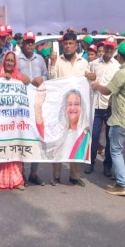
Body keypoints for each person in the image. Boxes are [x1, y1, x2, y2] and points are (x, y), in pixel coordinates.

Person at [91, 42, 125, 197]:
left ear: (119, 56)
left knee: (115, 150)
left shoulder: (122, 73)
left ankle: (121, 184)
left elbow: (108, 90)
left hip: (121, 119)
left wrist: (97, 86)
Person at [48, 31, 90, 187]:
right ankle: (56, 175)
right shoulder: (58, 61)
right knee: (59, 141)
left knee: (76, 140)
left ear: (76, 44)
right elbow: (52, 81)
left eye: (70, 43)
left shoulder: (83, 63)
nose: (67, 46)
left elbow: (88, 83)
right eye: (65, 44)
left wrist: (92, 78)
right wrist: (52, 64)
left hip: (77, 109)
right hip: (61, 107)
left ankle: (74, 175)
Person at [85, 36, 119, 177]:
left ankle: (107, 165)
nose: (109, 50)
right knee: (93, 135)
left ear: (115, 49)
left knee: (110, 138)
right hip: (96, 105)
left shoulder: (117, 66)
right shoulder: (94, 64)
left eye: (111, 47)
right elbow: (86, 75)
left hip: (109, 107)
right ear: (103, 48)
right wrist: (88, 75)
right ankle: (90, 162)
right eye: (107, 47)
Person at [0, 52, 30, 191]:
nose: (9, 63)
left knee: (16, 149)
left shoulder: (18, 77)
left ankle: (17, 180)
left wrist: (20, 79)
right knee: (4, 148)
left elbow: (28, 80)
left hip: (15, 123)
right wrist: (0, 78)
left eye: (12, 61)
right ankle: (2, 180)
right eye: (7, 60)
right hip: (1, 122)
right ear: (3, 62)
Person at [17, 31, 47, 186]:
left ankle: (33, 173)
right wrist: (20, 77)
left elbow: (46, 75)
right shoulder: (17, 59)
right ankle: (21, 172)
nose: (29, 45)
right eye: (27, 42)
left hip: (37, 105)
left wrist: (43, 78)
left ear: (34, 44)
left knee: (36, 138)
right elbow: (12, 75)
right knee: (22, 137)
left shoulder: (40, 59)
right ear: (23, 43)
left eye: (31, 42)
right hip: (21, 105)